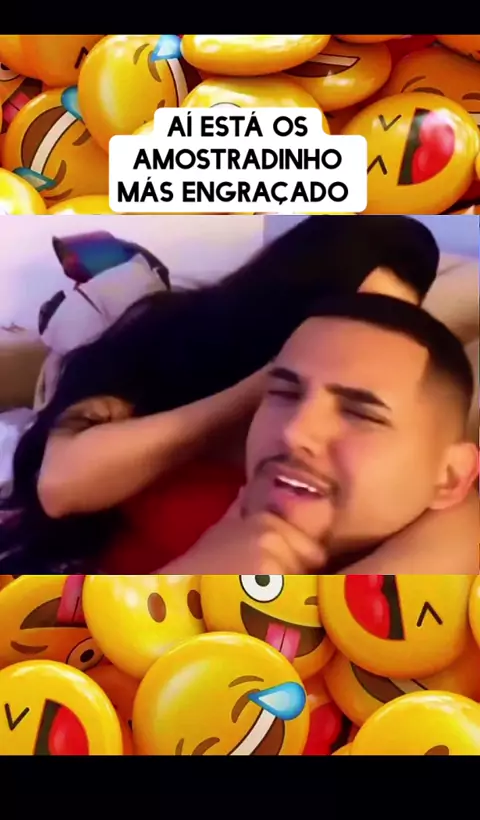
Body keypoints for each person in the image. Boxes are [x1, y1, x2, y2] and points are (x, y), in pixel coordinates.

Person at [0, 215, 441, 574]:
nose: (364, 341)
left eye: (392, 321)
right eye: (356, 314)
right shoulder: (172, 335)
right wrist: (266, 384)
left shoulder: (382, 424)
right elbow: (59, 487)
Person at [159, 294, 478, 576]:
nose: (293, 432)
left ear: (450, 477)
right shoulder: (183, 486)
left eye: (361, 414)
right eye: (284, 393)